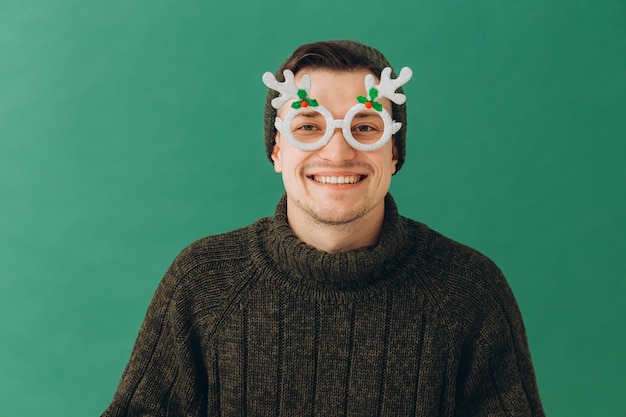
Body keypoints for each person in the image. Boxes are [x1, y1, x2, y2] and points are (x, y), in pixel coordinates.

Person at [102, 40, 545, 416]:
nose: (337, 153)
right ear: (277, 151)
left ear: (394, 154)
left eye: (365, 127)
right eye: (309, 126)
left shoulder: (468, 291)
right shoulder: (203, 283)